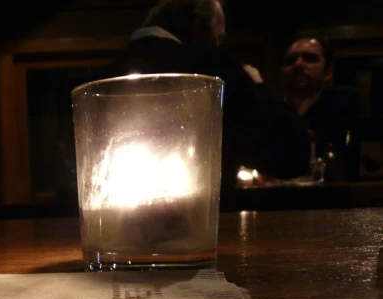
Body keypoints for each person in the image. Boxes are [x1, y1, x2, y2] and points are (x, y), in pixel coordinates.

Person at [102, 0, 311, 210]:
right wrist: (259, 85)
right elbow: (292, 155)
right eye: (218, 38)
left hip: (116, 229)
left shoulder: (101, 77)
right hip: (206, 229)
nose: (218, 46)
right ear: (198, 27)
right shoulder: (211, 66)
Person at [280, 35, 367, 172]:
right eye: (291, 61)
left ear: (328, 72)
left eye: (309, 58)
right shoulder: (272, 109)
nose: (298, 64)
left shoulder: (345, 102)